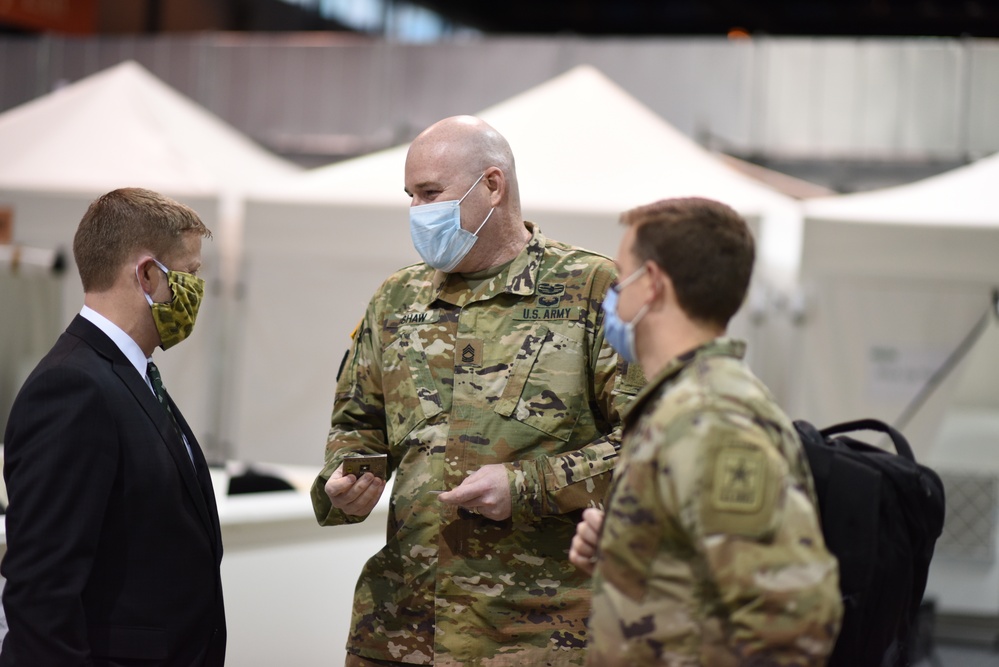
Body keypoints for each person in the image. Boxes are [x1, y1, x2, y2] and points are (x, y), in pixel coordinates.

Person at [310, 115, 642, 666]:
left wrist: (528, 485)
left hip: (537, 635)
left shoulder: (592, 289)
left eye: (431, 193)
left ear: (492, 185)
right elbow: (356, 423)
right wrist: (346, 480)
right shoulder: (397, 299)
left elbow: (650, 447)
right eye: (410, 196)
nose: (418, 212)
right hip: (401, 629)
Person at [569, 197, 843, 666]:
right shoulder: (681, 404)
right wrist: (624, 548)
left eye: (621, 276)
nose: (611, 294)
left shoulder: (710, 417)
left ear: (652, 284)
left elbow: (791, 618)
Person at [0, 188, 226, 666]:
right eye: (189, 275)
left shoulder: (128, 375)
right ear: (147, 274)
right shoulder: (72, 388)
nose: (196, 292)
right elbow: (42, 592)